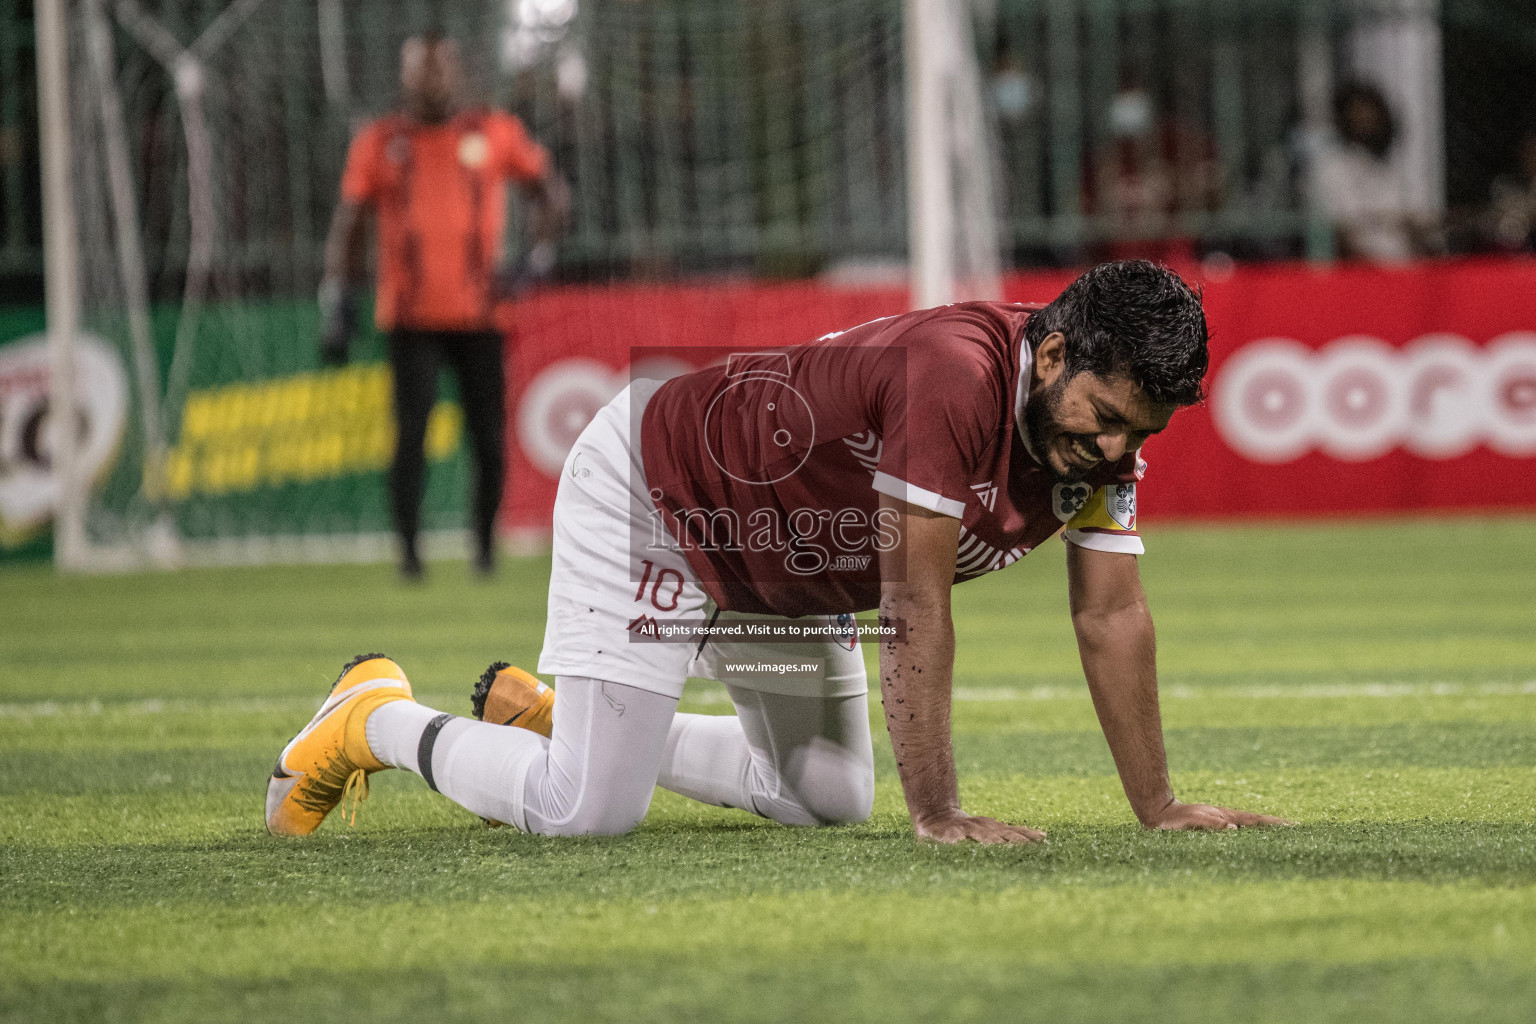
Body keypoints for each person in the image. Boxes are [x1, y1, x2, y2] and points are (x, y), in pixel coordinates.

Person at [267, 261, 1290, 844]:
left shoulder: (1095, 437)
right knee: (584, 812)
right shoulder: (955, 378)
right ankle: (373, 717)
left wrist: (1159, 806)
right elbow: (915, 606)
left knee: (827, 797)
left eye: (1140, 433)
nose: (1116, 449)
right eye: (1106, 416)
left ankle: (550, 712)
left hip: (781, 571)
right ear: (1055, 352)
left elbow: (1110, 613)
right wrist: (939, 814)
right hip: (661, 500)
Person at [319, 31, 569, 581]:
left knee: (489, 439)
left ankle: (484, 551)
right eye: (420, 68)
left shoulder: (494, 131)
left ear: (456, 71)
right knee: (410, 437)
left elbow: (549, 191)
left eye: (439, 67)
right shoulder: (381, 140)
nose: (431, 78)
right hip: (411, 319)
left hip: (482, 316)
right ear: (406, 75)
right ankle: (409, 555)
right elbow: (351, 223)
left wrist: (536, 260)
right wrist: (337, 297)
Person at [1308, 81, 1435, 264]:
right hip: (1361, 280)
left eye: (1372, 113)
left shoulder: (1388, 172)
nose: (1368, 120)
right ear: (1344, 119)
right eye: (1359, 113)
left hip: (1406, 277)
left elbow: (1417, 227)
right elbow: (1341, 236)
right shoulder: (1332, 170)